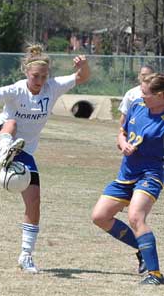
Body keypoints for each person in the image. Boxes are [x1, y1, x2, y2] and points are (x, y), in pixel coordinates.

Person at [0, 43, 90, 273]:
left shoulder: (52, 88)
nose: (40, 80)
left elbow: (81, 77)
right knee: (12, 123)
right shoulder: (17, 89)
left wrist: (83, 66)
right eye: (36, 76)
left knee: (34, 201)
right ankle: (7, 153)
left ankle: (26, 255)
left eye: (44, 76)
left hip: (23, 152)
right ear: (26, 72)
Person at [92, 73, 164, 285]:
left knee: (135, 217)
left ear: (160, 95)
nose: (141, 96)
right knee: (100, 216)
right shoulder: (137, 106)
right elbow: (121, 133)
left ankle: (155, 274)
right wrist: (123, 144)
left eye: (145, 93)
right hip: (126, 173)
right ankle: (142, 250)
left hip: (150, 173)